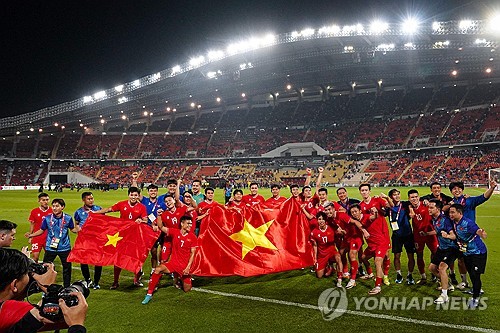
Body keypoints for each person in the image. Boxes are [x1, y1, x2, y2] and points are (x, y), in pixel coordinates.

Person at [0, 248, 88, 333]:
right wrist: (77, 326)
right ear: (14, 285)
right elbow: (66, 318)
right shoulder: (8, 310)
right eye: (27, 274)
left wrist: (37, 316)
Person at [93, 187, 148, 289]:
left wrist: (141, 221)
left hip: (135, 236)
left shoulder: (142, 207)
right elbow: (109, 209)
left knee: (136, 258)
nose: (133, 197)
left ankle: (137, 279)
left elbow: (146, 219)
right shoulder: (122, 204)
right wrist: (95, 213)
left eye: (136, 195)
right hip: (122, 236)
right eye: (132, 195)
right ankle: (115, 282)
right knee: (118, 258)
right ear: (129, 195)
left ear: (138, 196)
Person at [448, 180, 496, 290]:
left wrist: (492, 188)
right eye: (454, 189)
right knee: (461, 261)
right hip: (459, 238)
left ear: (462, 189)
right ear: (451, 191)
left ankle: (476, 287)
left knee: (472, 262)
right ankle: (465, 282)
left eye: (459, 188)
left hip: (471, 238)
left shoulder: (469, 201)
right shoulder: (451, 203)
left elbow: (483, 197)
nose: (457, 190)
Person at [142, 215, 198, 304]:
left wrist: (188, 267)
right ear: (182, 223)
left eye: (191, 224)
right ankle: (149, 294)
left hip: (184, 266)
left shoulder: (192, 237)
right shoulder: (174, 232)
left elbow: (193, 253)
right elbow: (161, 227)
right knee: (158, 269)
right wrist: (159, 215)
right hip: (173, 263)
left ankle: (178, 278)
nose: (190, 225)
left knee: (187, 289)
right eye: (188, 223)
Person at [25, 198, 80, 287]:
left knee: (67, 268)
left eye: (57, 206)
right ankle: (44, 285)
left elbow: (72, 229)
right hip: (50, 247)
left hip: (65, 248)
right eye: (53, 206)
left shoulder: (68, 218)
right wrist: (31, 235)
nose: (54, 208)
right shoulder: (47, 218)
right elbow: (41, 230)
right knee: (45, 268)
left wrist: (79, 230)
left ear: (62, 207)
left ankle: (66, 286)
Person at [446, 204, 488, 309]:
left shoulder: (468, 223)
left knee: (475, 275)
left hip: (477, 253)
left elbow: (477, 230)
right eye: (450, 212)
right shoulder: (454, 222)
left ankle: (476, 298)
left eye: (453, 212)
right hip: (467, 252)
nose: (450, 214)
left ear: (460, 213)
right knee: (471, 273)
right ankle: (475, 289)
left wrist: (481, 233)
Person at [358, 183, 391, 294]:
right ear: (360, 192)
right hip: (371, 239)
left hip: (382, 234)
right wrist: (364, 230)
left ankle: (381, 281)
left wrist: (386, 198)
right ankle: (371, 274)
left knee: (381, 258)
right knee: (363, 257)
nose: (364, 192)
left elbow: (390, 206)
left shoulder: (377, 200)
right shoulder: (360, 206)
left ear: (370, 191)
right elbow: (362, 221)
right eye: (362, 190)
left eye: (366, 190)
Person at [426, 199, 458, 304]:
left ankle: (444, 295)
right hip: (442, 248)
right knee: (432, 268)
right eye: (428, 207)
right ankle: (448, 285)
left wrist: (447, 236)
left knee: (442, 268)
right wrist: (427, 234)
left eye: (431, 207)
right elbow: (438, 230)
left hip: (451, 248)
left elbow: (453, 236)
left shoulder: (445, 220)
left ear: (438, 209)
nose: (429, 209)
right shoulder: (434, 219)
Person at [384, 189, 416, 285]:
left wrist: (411, 209)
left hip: (408, 234)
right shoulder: (388, 207)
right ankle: (399, 274)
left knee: (410, 255)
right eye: (394, 195)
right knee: (397, 256)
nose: (397, 196)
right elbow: (382, 212)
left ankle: (410, 275)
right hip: (396, 235)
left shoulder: (405, 205)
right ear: (391, 197)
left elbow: (414, 202)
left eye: (398, 194)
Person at [407, 189, 438, 285]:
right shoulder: (409, 208)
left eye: (416, 197)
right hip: (418, 236)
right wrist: (410, 208)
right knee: (419, 255)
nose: (414, 199)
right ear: (409, 199)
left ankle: (434, 273)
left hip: (430, 234)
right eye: (412, 197)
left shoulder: (426, 204)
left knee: (435, 253)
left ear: (419, 197)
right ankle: (423, 276)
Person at [73, 192, 103, 290]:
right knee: (83, 260)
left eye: (92, 198)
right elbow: (76, 224)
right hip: (85, 240)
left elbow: (105, 222)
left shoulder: (99, 209)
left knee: (98, 261)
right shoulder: (78, 212)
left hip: (97, 239)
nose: (91, 200)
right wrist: (78, 230)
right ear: (83, 200)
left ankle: (96, 282)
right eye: (89, 199)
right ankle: (88, 279)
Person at [310, 212, 340, 281]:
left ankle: (340, 276)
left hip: (331, 252)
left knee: (338, 257)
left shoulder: (331, 228)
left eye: (323, 219)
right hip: (322, 255)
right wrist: (315, 258)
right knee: (319, 276)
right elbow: (315, 246)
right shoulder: (314, 232)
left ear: (325, 220)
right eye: (319, 219)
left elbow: (337, 237)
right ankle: (328, 266)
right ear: (317, 220)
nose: (321, 221)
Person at [28, 193, 52, 262]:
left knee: (49, 258)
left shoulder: (52, 211)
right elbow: (32, 224)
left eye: (47, 200)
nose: (45, 202)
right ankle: (34, 272)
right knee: (35, 258)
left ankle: (47, 272)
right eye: (43, 200)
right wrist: (30, 236)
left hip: (48, 238)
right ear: (39, 201)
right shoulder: (34, 211)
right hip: (37, 237)